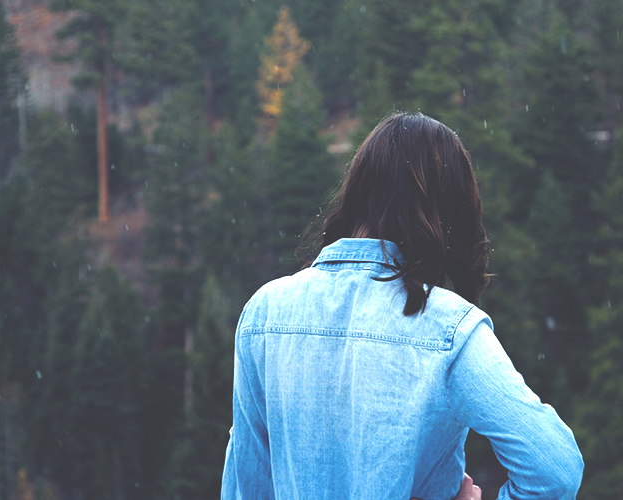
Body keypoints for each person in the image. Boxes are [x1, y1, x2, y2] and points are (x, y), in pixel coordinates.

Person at [221, 112, 584, 500]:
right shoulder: (450, 330)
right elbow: (555, 470)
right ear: (451, 213)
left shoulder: (265, 312)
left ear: (359, 189)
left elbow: (246, 485)